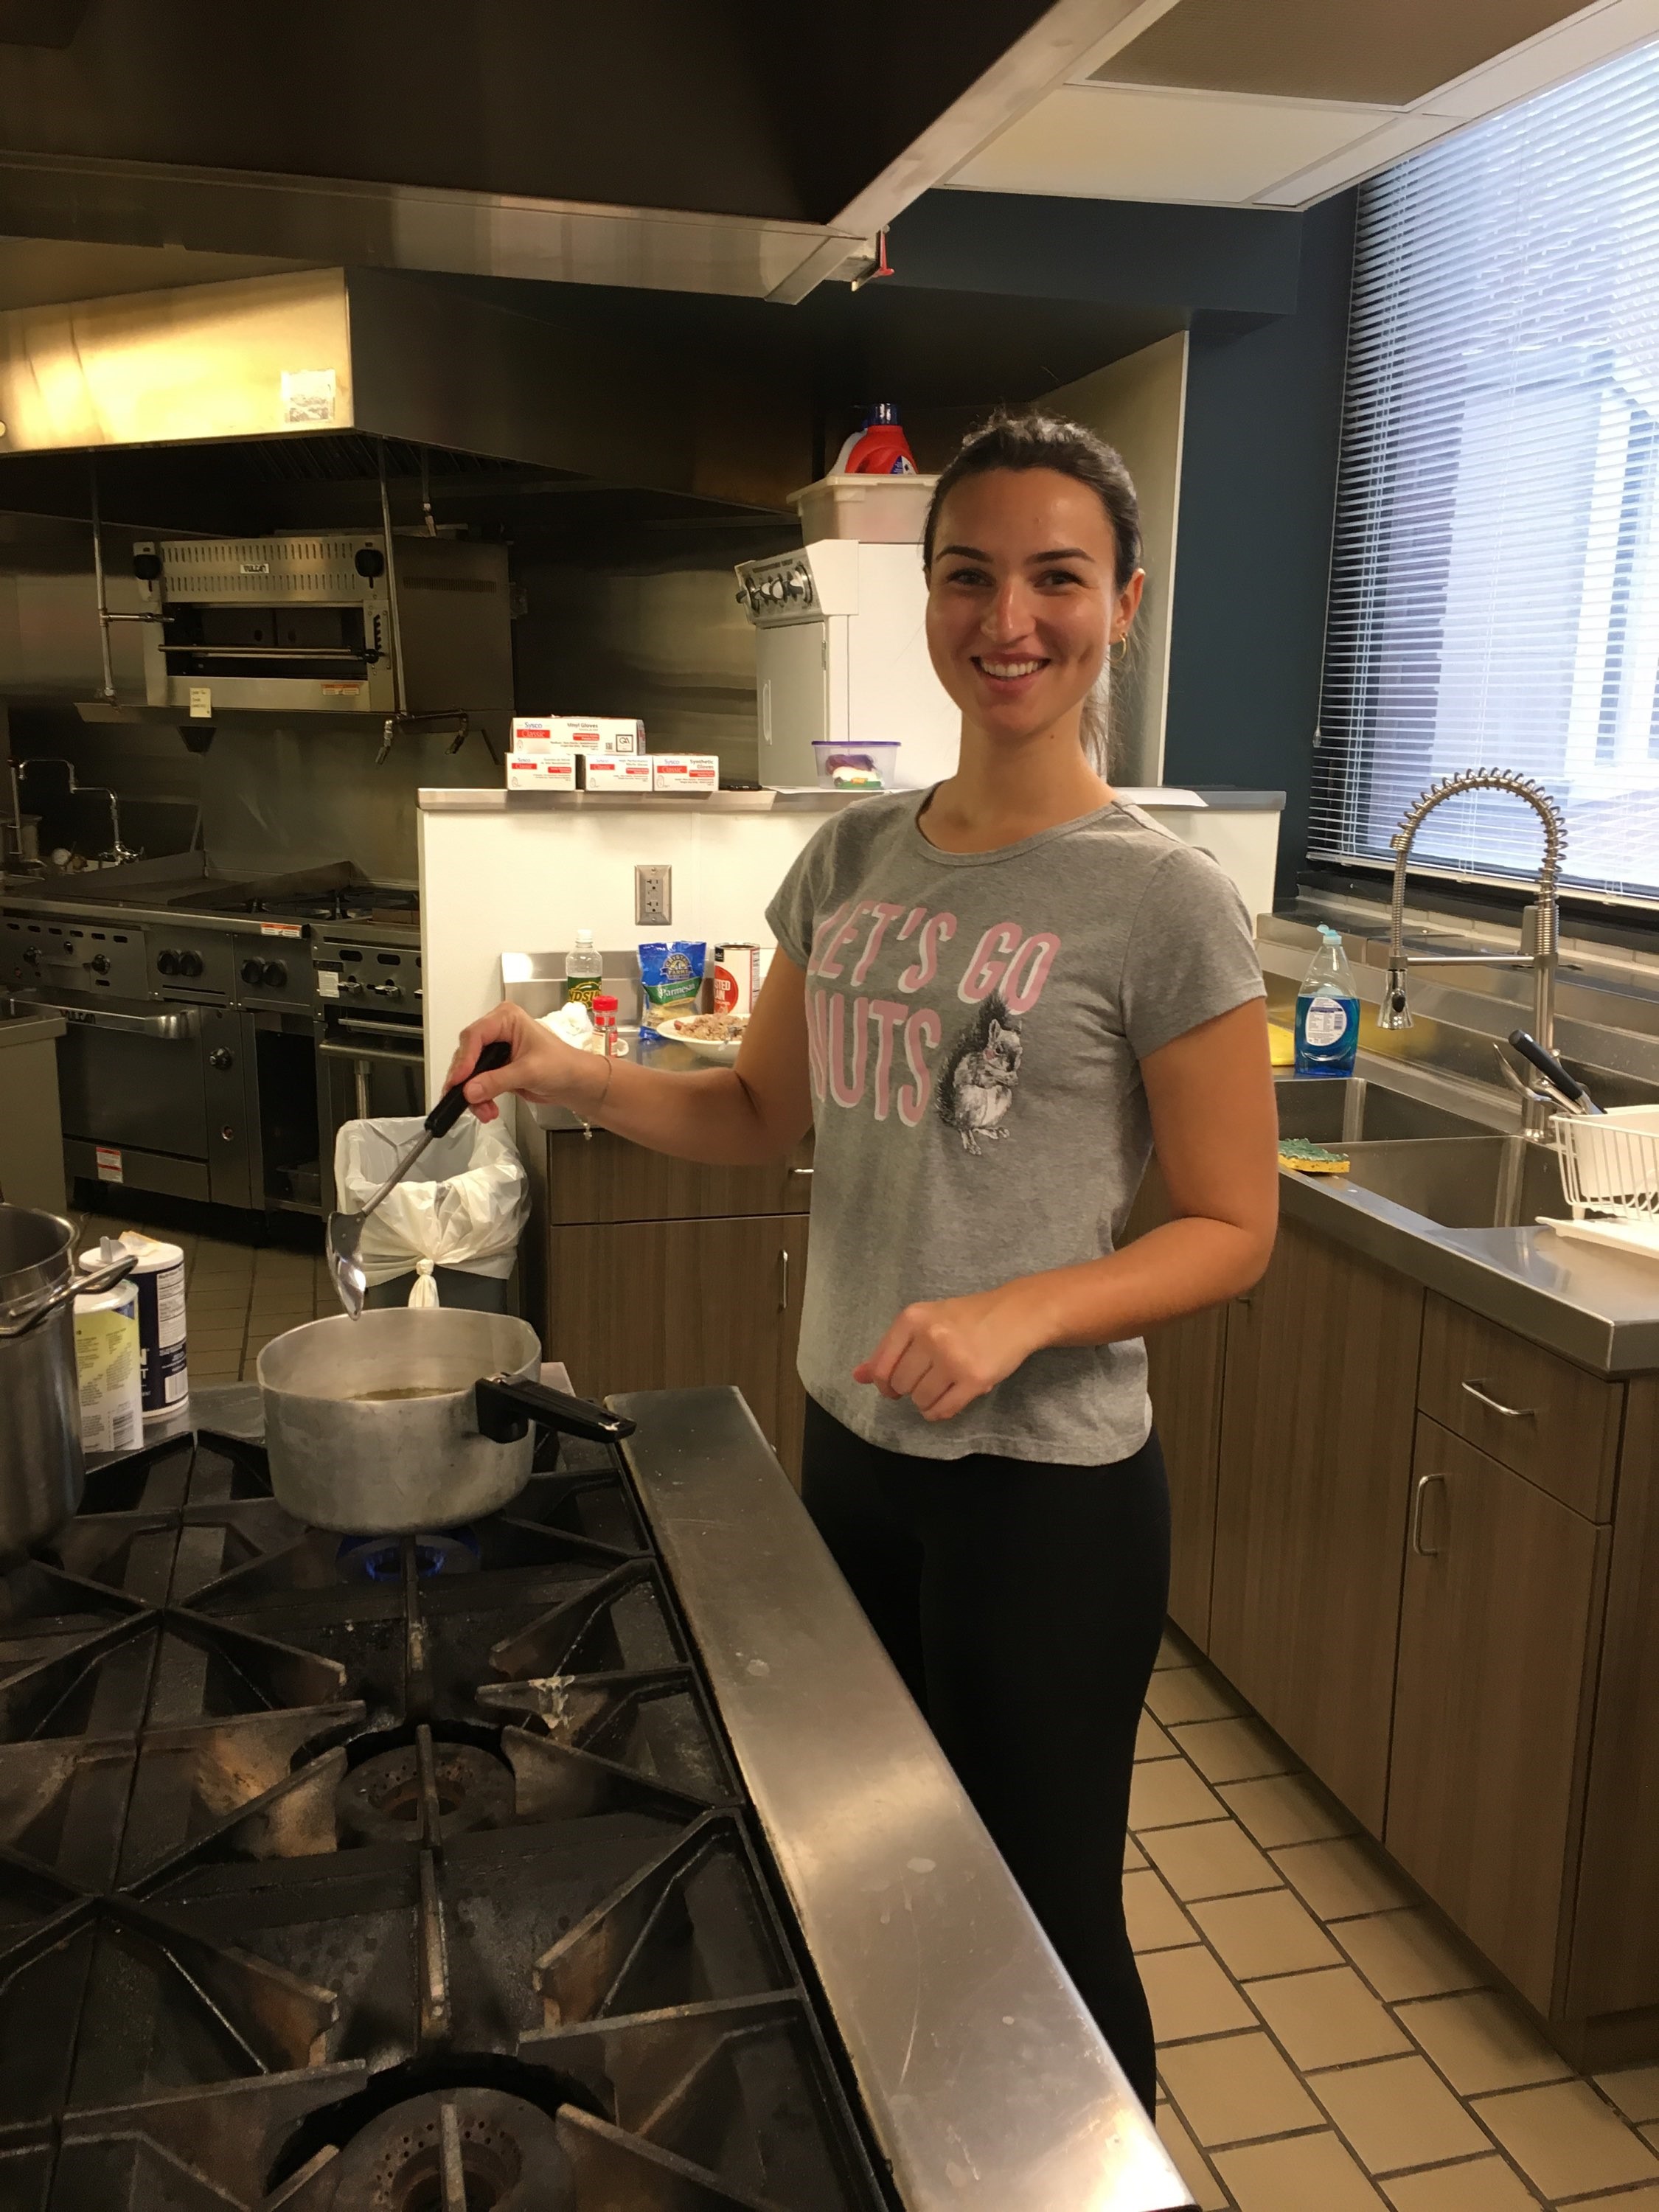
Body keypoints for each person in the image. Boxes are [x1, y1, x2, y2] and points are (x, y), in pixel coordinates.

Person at [445, 411, 1279, 2113]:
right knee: (875, 1879)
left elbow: (1232, 1225)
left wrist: (1020, 1308)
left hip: (1045, 1493)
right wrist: (576, 1070)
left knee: (1047, 1912)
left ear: (1123, 602)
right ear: (931, 598)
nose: (1009, 620)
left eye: (1058, 578)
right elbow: (763, 1111)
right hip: (856, 1457)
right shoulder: (852, 857)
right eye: (969, 576)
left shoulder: (1166, 903)